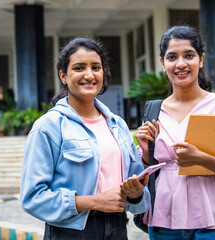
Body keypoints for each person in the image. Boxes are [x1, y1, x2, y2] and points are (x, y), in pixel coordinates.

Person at [135, 25, 215, 239]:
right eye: (172, 57)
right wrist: (146, 150)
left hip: (212, 220)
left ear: (201, 59)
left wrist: (202, 159)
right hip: (164, 221)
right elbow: (148, 173)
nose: (181, 64)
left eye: (189, 55)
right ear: (162, 63)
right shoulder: (154, 111)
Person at [20, 37, 151, 240]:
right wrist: (93, 202)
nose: (89, 75)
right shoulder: (48, 127)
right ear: (63, 76)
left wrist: (135, 193)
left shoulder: (118, 125)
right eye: (79, 68)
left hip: (117, 227)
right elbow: (33, 198)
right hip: (70, 232)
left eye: (96, 67)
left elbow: (139, 198)